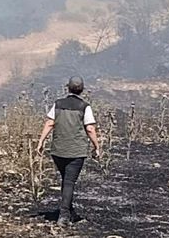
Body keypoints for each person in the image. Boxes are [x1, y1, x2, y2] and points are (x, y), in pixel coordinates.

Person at [36, 76, 101, 227]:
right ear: (82, 89)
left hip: (57, 150)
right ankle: (64, 215)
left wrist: (40, 142)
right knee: (69, 181)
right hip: (76, 151)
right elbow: (90, 128)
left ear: (68, 88)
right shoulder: (85, 106)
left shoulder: (58, 104)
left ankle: (69, 211)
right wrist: (97, 147)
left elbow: (49, 123)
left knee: (66, 180)